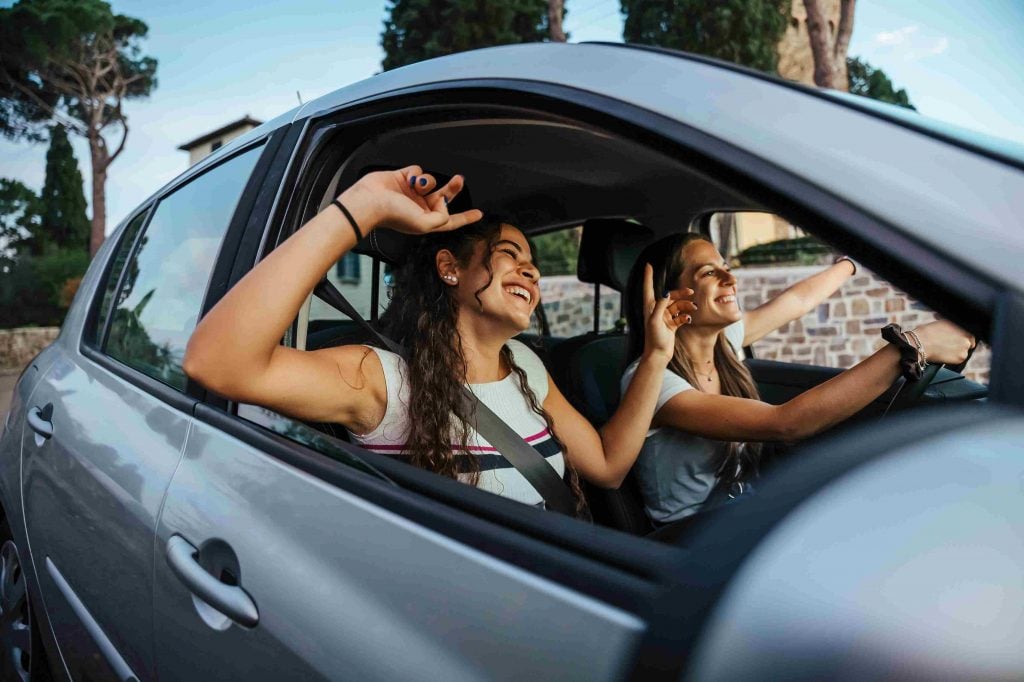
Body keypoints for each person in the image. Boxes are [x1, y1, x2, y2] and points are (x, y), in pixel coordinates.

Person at [184, 166, 697, 514]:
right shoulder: (379, 378)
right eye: (508, 253)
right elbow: (218, 364)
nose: (531, 270)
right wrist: (361, 207)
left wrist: (656, 356)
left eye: (533, 263)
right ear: (450, 269)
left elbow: (607, 469)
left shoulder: (525, 365)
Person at [621, 232, 975, 525]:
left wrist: (851, 263)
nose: (731, 279)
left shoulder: (723, 342)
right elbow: (785, 423)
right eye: (709, 273)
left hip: (740, 511)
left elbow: (798, 300)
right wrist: (912, 345)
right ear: (668, 298)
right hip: (690, 536)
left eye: (726, 267)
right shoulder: (652, 380)